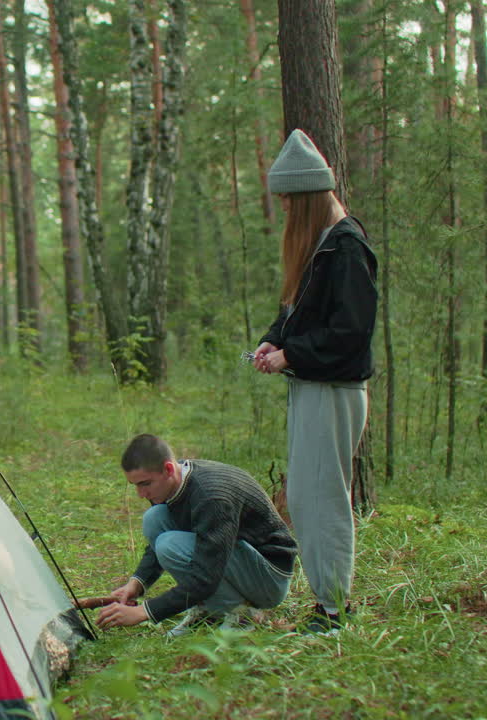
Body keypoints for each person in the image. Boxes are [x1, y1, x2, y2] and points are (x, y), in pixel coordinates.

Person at [251, 128, 378, 634]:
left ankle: (334, 609)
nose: (283, 210)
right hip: (312, 389)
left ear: (305, 197)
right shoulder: (320, 246)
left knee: (322, 499)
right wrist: (273, 341)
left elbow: (350, 333)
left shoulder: (346, 248)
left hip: (333, 391)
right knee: (306, 497)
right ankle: (329, 602)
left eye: (286, 200)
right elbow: (298, 313)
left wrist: (291, 355)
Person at [96, 434, 296, 637]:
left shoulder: (211, 496)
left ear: (168, 469)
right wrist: (137, 583)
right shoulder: (173, 483)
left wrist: (143, 612)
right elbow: (165, 538)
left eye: (145, 484)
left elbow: (205, 578)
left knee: (169, 545)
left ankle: (241, 616)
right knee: (154, 518)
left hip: (270, 577)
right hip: (236, 559)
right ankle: (209, 610)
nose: (140, 494)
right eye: (136, 485)